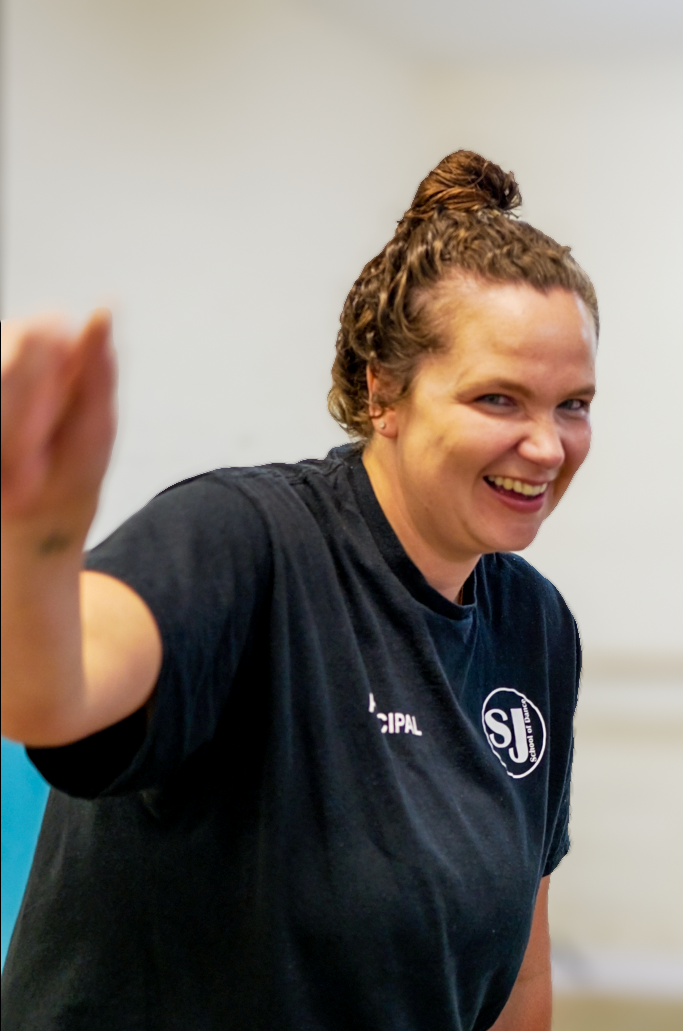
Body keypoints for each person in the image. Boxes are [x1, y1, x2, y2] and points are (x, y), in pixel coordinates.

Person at [0, 150, 597, 1030]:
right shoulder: (242, 541)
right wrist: (33, 544)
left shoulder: (535, 627)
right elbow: (48, 696)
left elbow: (517, 975)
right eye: (498, 400)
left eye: (573, 404)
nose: (547, 447)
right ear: (384, 390)